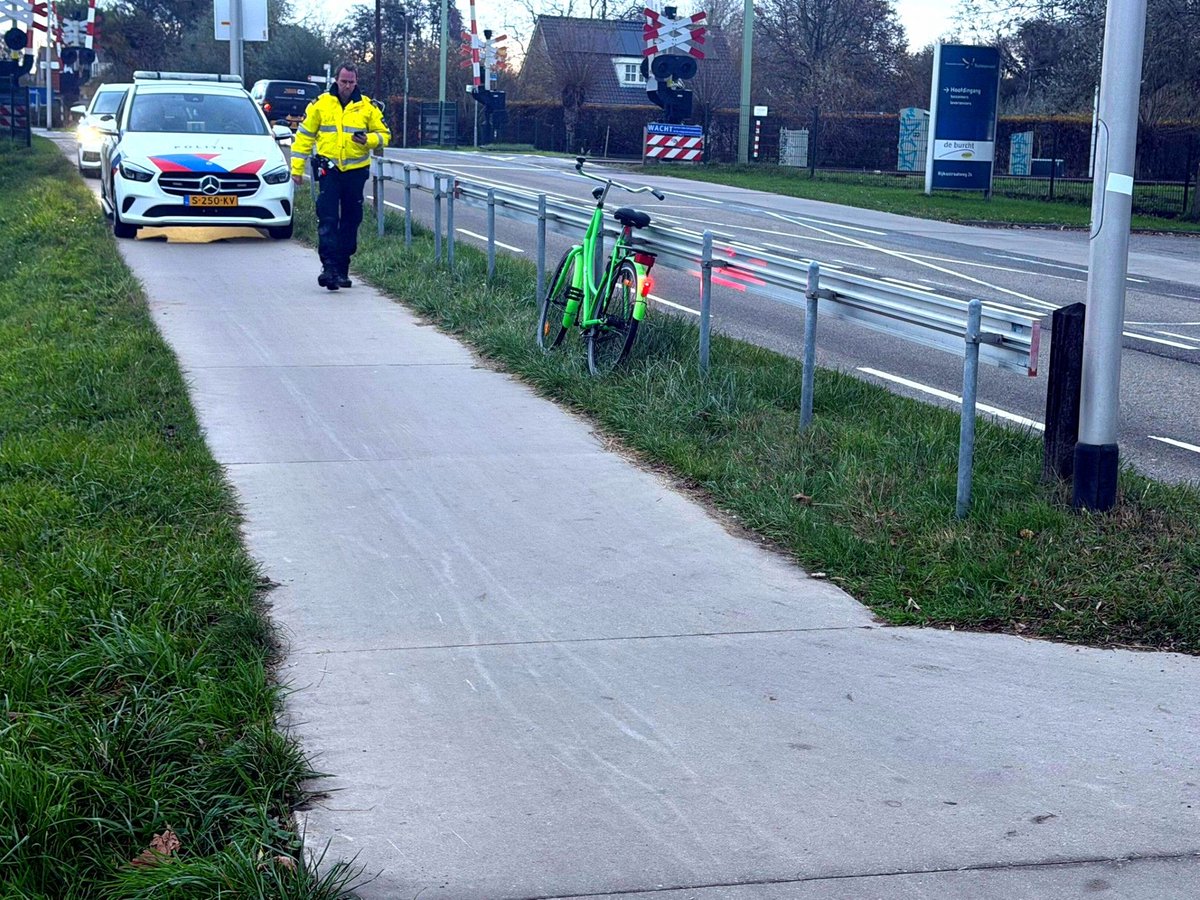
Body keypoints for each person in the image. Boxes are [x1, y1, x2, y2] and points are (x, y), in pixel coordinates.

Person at [290, 63, 390, 290]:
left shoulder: (367, 107)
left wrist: (369, 140)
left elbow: (384, 135)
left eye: (351, 82)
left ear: (356, 82)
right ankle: (329, 269)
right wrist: (296, 169)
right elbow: (303, 137)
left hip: (355, 172)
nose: (347, 86)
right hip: (329, 169)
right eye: (343, 81)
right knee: (327, 218)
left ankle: (343, 269)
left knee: (351, 220)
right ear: (336, 80)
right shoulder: (321, 104)